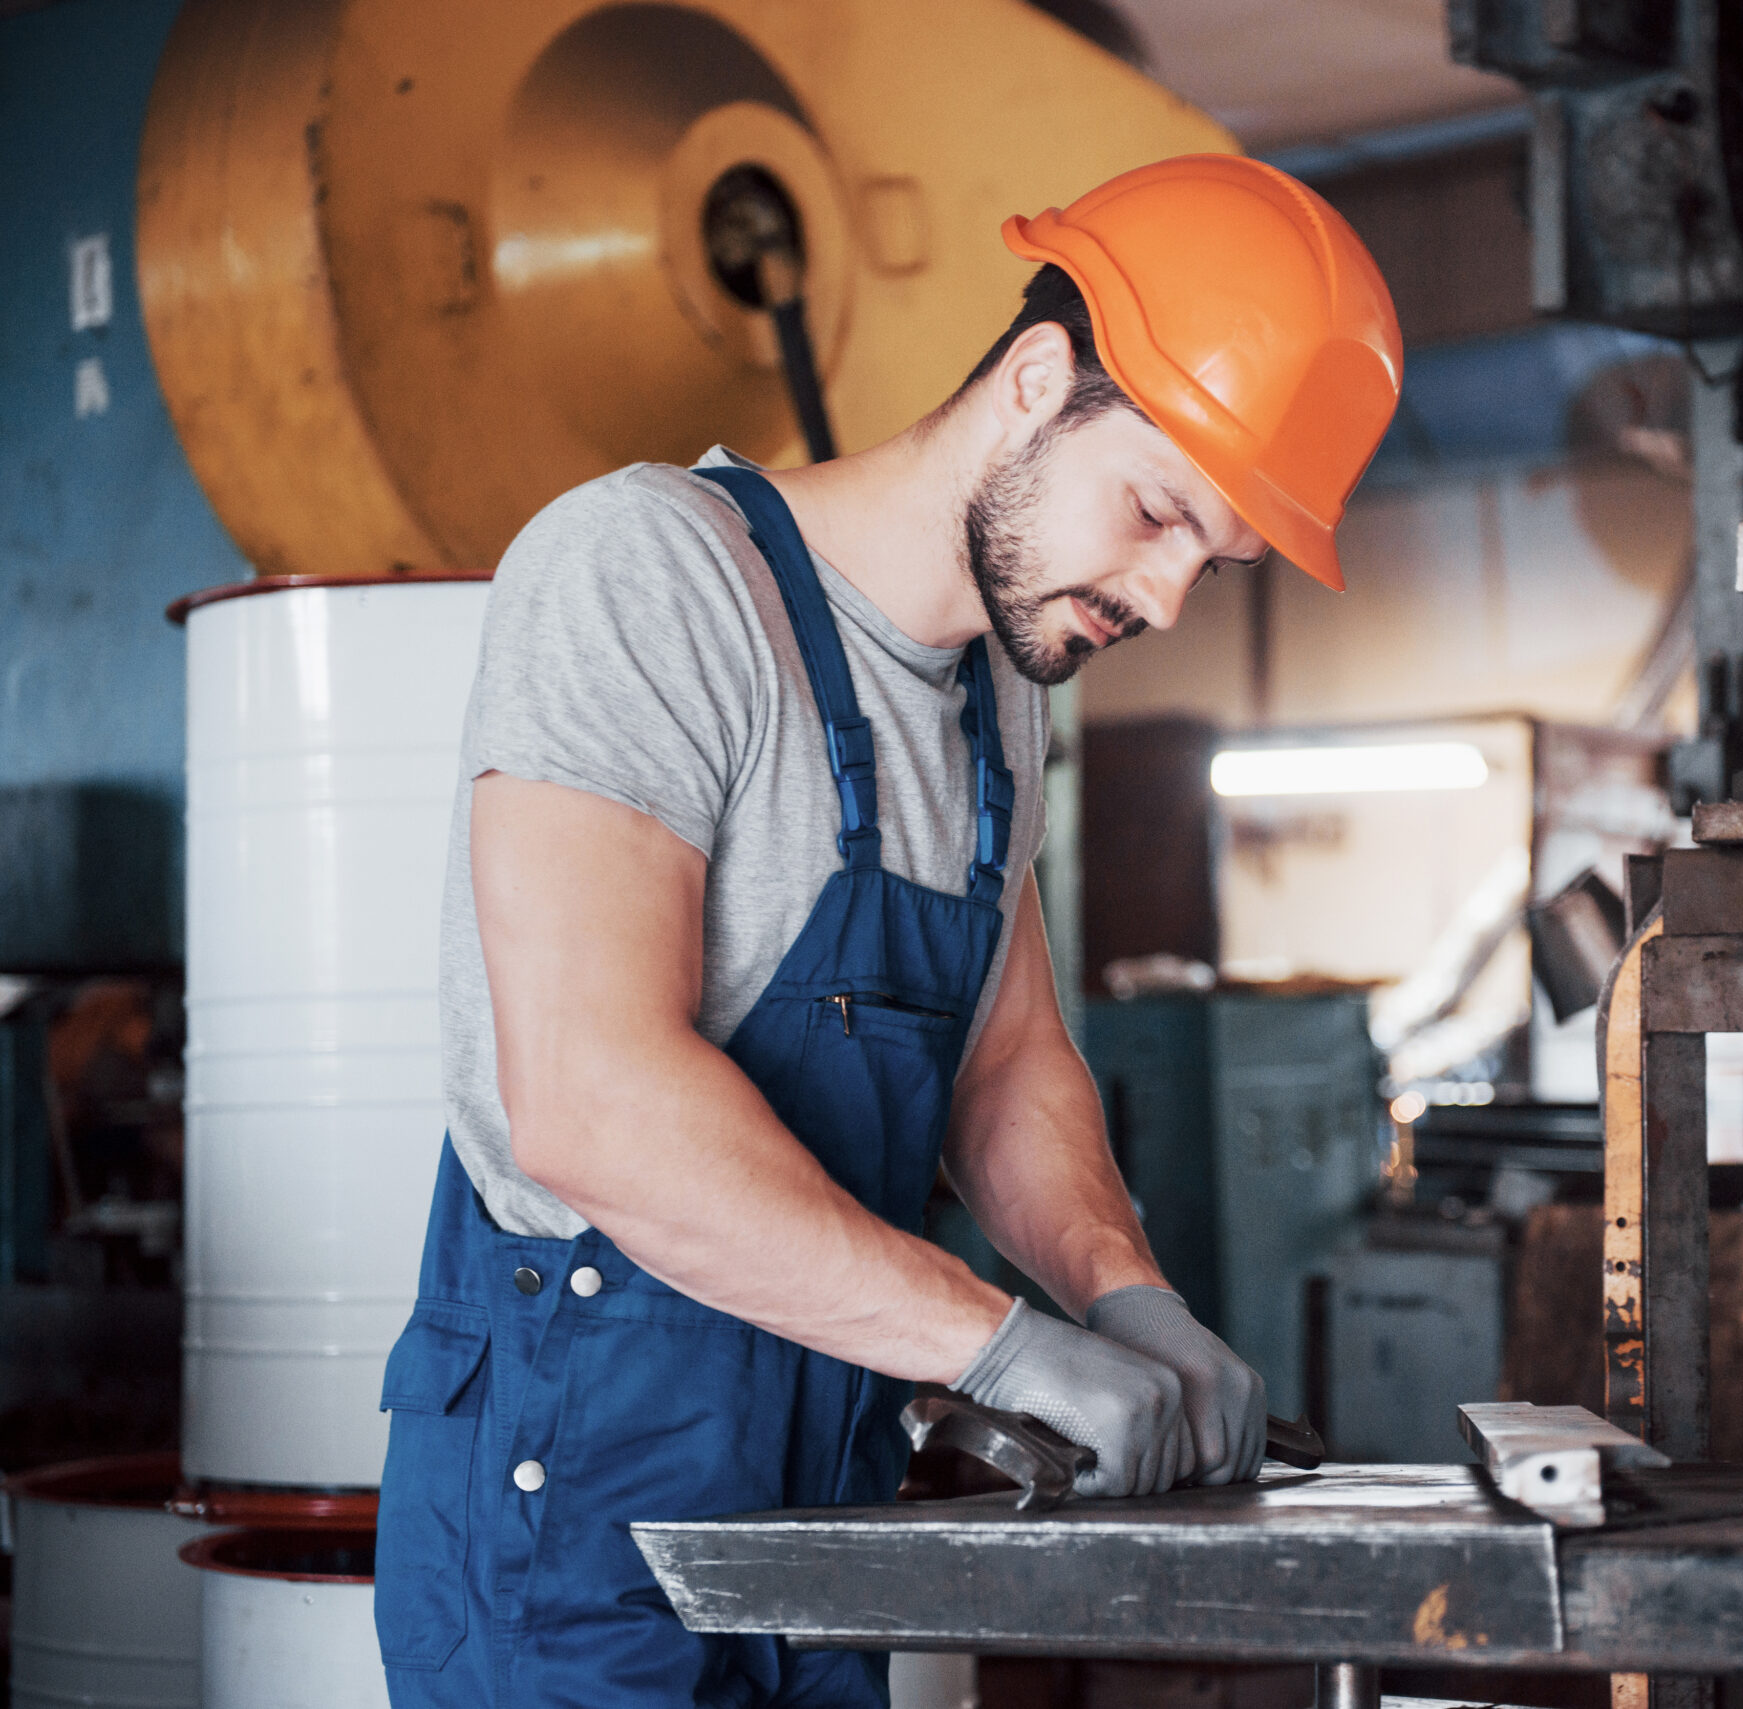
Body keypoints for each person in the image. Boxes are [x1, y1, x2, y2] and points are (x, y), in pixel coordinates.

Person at [370, 154, 1402, 1708]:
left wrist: (1130, 1297)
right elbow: (588, 1101)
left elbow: (1010, 1070)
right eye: (1157, 512)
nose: (1172, 597)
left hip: (820, 1506)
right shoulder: (650, 576)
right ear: (1038, 379)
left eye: (1219, 557)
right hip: (570, 1511)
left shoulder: (997, 701)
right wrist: (999, 1343)